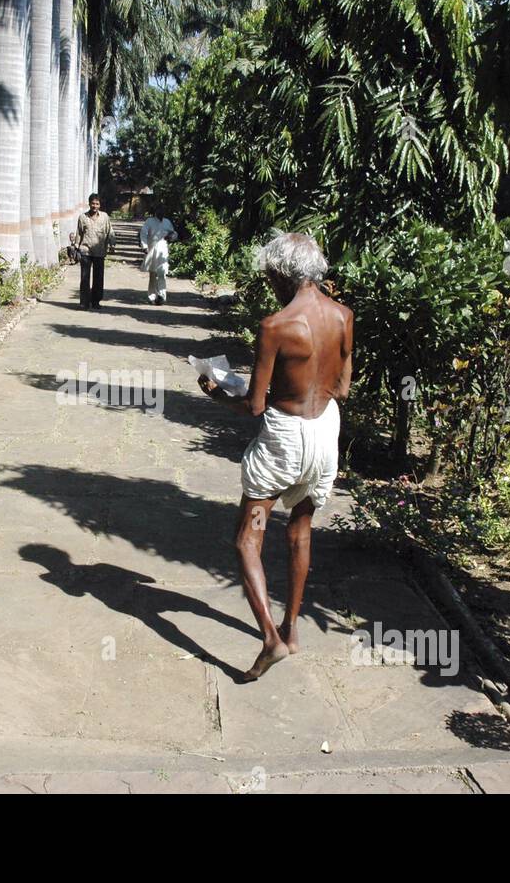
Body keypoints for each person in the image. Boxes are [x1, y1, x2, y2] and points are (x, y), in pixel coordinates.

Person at [197, 233, 353, 682]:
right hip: (325, 432)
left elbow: (255, 406)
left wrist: (216, 394)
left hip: (283, 439)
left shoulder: (275, 326)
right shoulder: (343, 316)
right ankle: (292, 627)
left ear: (283, 274)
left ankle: (270, 638)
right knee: (300, 531)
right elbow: (341, 388)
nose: (269, 285)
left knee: (249, 537)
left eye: (269, 276)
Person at [74, 193, 116, 309]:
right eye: (93, 203)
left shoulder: (105, 217)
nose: (95, 206)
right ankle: (84, 302)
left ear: (100, 205)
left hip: (100, 252)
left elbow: (109, 231)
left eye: (97, 204)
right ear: (89, 204)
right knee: (84, 278)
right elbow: (79, 233)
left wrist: (112, 244)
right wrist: (76, 247)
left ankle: (96, 301)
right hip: (85, 251)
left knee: (98, 278)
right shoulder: (83, 217)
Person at [139, 207, 178, 305]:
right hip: (152, 250)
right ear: (155, 211)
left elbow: (173, 233)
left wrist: (172, 236)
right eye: (159, 210)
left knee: (162, 272)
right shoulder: (150, 221)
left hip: (163, 250)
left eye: (162, 211)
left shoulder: (167, 222)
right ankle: (152, 297)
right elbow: (143, 233)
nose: (161, 212)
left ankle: (161, 296)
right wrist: (144, 246)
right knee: (152, 274)